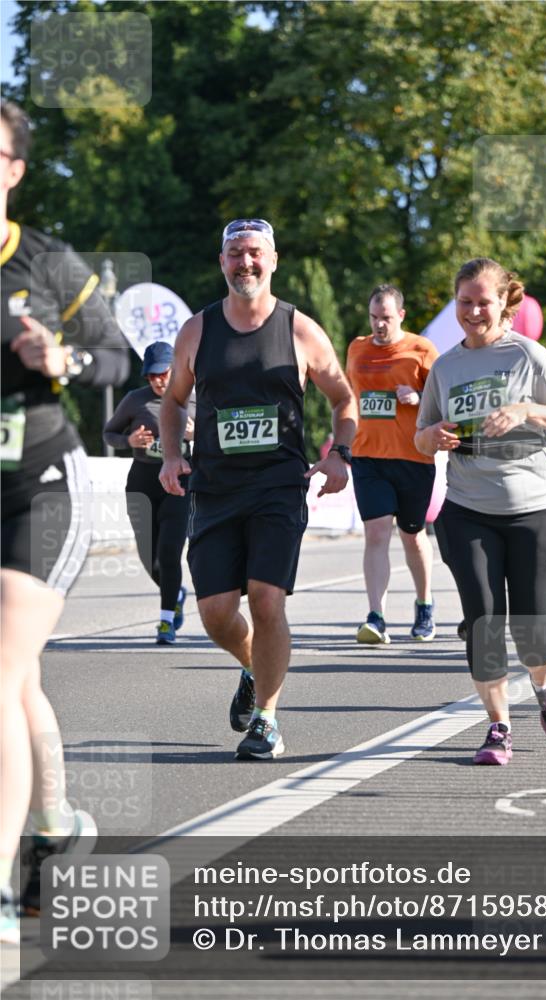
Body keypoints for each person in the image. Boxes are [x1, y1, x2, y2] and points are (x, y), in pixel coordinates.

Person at [0, 101, 129, 942]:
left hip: (40, 486)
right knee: (16, 679)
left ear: (13, 169)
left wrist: (65, 357)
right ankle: (54, 824)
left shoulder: (46, 263)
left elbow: (119, 353)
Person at [159, 218, 357, 760]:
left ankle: (267, 720)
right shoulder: (197, 330)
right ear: (221, 262)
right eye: (234, 254)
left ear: (272, 260)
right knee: (216, 615)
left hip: (277, 485)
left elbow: (343, 398)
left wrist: (339, 453)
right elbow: (173, 400)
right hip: (215, 489)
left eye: (254, 253)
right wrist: (172, 455)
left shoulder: (300, 329)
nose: (244, 263)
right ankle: (253, 668)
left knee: (268, 600)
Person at [414, 257, 546, 766]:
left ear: (503, 302)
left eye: (482, 302)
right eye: (464, 302)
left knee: (533, 636)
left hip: (535, 509)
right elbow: (420, 436)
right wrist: (433, 435)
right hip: (468, 508)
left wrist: (528, 410)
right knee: (483, 622)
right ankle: (498, 727)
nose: (472, 312)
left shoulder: (528, 355)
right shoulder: (445, 367)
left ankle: (545, 684)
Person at [346, 284, 439, 644]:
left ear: (401, 315)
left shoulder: (422, 349)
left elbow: (443, 401)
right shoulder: (357, 348)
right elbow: (349, 398)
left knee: (412, 535)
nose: (379, 325)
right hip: (368, 455)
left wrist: (419, 397)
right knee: (376, 532)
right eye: (373, 317)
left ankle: (424, 605)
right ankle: (376, 617)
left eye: (385, 317)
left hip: (413, 456)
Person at [103, 341, 195, 643]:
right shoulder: (135, 400)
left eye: (162, 373)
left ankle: (166, 621)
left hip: (179, 485)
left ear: (175, 369)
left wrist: (197, 433)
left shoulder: (195, 398)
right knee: (150, 560)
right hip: (142, 485)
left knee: (169, 554)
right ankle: (175, 593)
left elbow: (218, 439)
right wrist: (128, 441)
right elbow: (109, 433)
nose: (157, 380)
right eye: (151, 376)